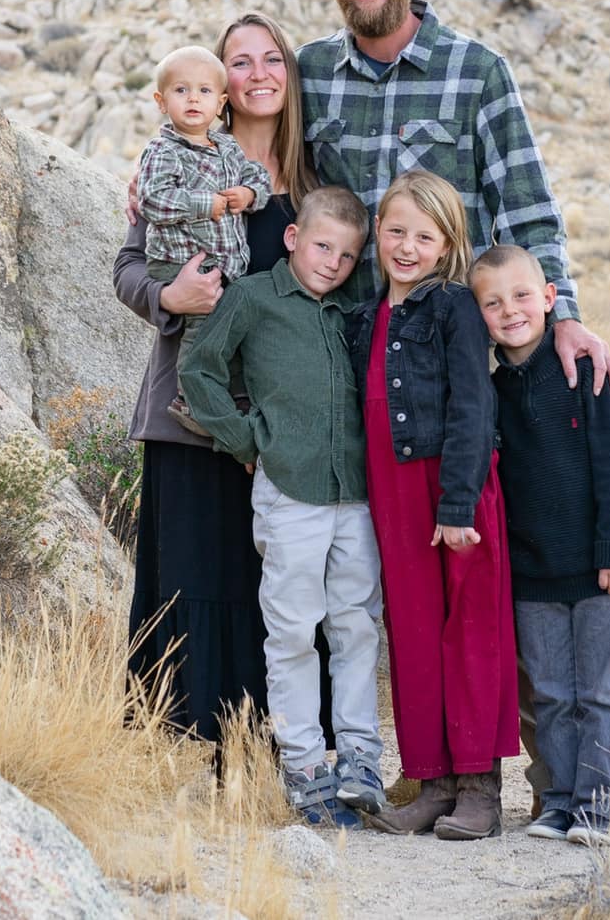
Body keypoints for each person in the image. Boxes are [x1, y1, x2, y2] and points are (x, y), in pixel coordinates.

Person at [298, 0, 610, 396]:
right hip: (334, 359)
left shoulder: (477, 73)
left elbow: (526, 211)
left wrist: (563, 317)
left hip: (444, 368)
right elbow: (255, 160)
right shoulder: (308, 74)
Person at [114, 13, 321, 747]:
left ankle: (275, 752)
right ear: (214, 81)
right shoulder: (177, 164)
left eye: (273, 60)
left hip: (280, 424)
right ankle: (182, 751)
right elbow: (129, 267)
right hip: (187, 415)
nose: (258, 74)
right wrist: (168, 299)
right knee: (193, 576)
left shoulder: (314, 181)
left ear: (290, 75)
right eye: (241, 61)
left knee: (276, 587)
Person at [178, 186, 387, 829]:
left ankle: (359, 758)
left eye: (349, 256)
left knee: (356, 626)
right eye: (323, 246)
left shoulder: (351, 308)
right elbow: (198, 369)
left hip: (355, 494)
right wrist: (246, 441)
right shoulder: (252, 298)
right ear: (294, 239)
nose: (333, 263)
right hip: (289, 490)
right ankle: (303, 766)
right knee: (294, 629)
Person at [349, 170, 520, 839]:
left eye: (425, 235)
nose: (407, 246)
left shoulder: (453, 309)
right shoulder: (366, 315)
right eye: (395, 231)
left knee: (469, 631)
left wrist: (456, 504)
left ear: (448, 243)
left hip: (455, 489)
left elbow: (473, 408)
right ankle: (432, 780)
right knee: (414, 634)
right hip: (391, 492)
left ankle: (480, 787)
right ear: (377, 236)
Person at [470, 243, 610, 847]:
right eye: (492, 303)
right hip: (533, 574)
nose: (510, 311)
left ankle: (602, 806)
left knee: (601, 693)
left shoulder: (586, 370)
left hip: (599, 570)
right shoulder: (492, 391)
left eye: (521, 296)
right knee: (551, 695)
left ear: (549, 298)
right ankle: (561, 801)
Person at [132, 44, 271, 432]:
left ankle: (224, 396)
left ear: (221, 102)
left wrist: (248, 195)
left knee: (228, 324)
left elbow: (258, 177)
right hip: (180, 261)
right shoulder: (163, 150)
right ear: (161, 101)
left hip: (222, 262)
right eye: (181, 90)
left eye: (205, 92)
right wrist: (202, 204)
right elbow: (153, 201)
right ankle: (189, 399)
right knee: (203, 325)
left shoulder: (227, 148)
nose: (193, 98)